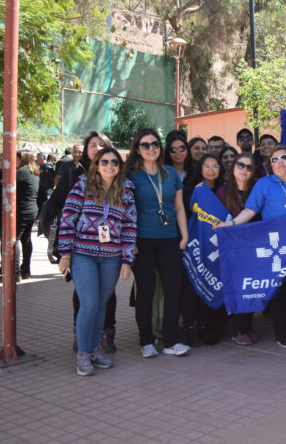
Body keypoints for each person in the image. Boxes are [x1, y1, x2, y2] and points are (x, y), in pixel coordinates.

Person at [219, 145, 286, 348]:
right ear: (270, 166)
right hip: (274, 247)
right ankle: (283, 333)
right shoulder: (263, 184)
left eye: (284, 158)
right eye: (275, 160)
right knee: (279, 290)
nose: (280, 162)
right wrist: (231, 224)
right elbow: (250, 211)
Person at [58, 147, 136, 376]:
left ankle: (92, 350)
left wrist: (127, 259)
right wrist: (65, 254)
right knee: (89, 303)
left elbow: (130, 225)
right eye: (105, 162)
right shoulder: (83, 185)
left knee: (101, 305)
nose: (109, 166)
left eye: (114, 162)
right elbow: (68, 217)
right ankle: (82, 354)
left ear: (119, 166)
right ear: (97, 164)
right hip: (83, 254)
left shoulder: (127, 190)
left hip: (111, 257)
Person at [40, 131, 118, 351]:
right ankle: (81, 336)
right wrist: (66, 245)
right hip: (81, 248)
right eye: (92, 144)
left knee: (107, 295)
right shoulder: (74, 175)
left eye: (102, 144)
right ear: (86, 150)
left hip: (110, 250)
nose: (97, 148)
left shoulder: (119, 178)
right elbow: (55, 207)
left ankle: (106, 332)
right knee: (85, 295)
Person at [125, 128, 191, 358]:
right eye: (145, 145)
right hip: (142, 241)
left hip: (170, 240)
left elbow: (180, 207)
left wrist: (184, 236)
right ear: (137, 149)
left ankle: (170, 340)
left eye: (155, 144)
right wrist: (129, 241)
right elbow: (126, 210)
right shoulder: (131, 176)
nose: (151, 148)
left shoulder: (171, 173)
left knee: (173, 289)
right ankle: (146, 341)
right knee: (146, 290)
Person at [215, 152, 260, 346]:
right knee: (235, 287)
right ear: (233, 167)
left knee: (250, 286)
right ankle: (237, 329)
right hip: (231, 249)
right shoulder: (222, 192)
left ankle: (246, 326)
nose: (244, 170)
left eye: (249, 167)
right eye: (241, 165)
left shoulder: (258, 190)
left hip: (253, 247)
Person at [183, 154, 226, 345]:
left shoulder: (225, 191)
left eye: (215, 166)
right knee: (195, 285)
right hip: (198, 245)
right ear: (200, 169)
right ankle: (192, 327)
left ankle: (212, 326)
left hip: (219, 248)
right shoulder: (195, 190)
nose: (211, 170)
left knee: (216, 282)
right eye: (206, 166)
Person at [14, 151, 40, 279]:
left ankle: (16, 272)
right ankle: (26, 270)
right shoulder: (35, 173)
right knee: (26, 239)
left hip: (22, 210)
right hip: (32, 210)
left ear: (21, 159)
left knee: (15, 239)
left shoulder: (20, 173)